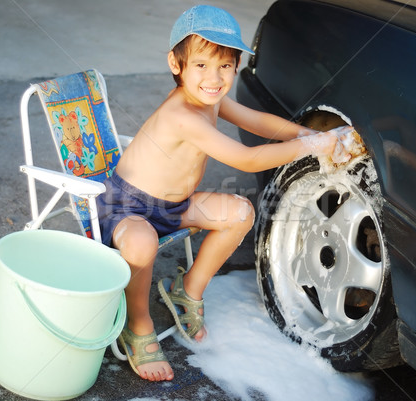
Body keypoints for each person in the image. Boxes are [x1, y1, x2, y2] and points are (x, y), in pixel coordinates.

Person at [96, 5, 352, 382]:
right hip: (129, 207)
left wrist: (308, 134)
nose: (214, 78)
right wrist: (314, 146)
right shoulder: (182, 114)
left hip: (173, 205)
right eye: (201, 65)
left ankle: (188, 289)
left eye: (226, 66)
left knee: (239, 213)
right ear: (176, 63)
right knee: (141, 242)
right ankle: (138, 323)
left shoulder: (210, 99)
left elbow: (258, 121)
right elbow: (247, 159)